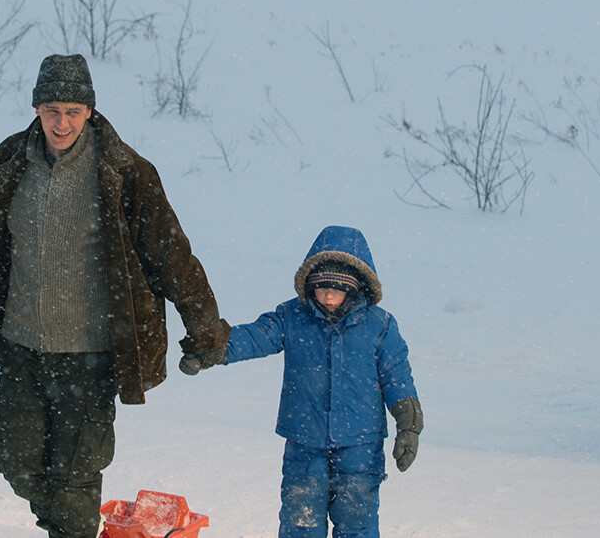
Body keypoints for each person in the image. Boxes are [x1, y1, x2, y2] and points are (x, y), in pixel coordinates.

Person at [0, 53, 230, 538]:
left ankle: (72, 526)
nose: (61, 123)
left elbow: (170, 255)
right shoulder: (10, 159)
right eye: (51, 110)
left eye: (72, 111)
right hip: (22, 344)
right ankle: (73, 526)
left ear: (89, 111)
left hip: (90, 353)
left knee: (76, 475)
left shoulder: (126, 171)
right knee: (9, 454)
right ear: (36, 109)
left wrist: (205, 328)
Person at [180, 225, 421, 538]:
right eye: (321, 288)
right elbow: (257, 336)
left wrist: (409, 425)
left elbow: (397, 376)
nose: (329, 296)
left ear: (356, 287)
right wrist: (212, 349)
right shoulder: (293, 317)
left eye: (338, 289)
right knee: (300, 524)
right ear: (309, 284)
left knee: (357, 525)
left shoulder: (379, 326)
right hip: (305, 443)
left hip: (360, 447)